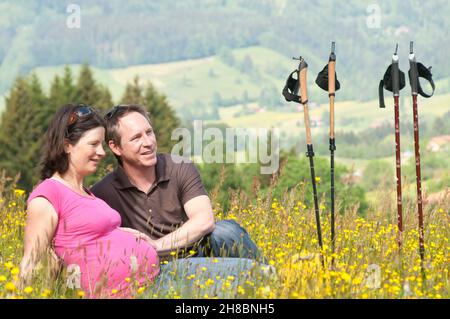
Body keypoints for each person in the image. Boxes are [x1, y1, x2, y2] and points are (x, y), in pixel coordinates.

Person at [19, 104, 160, 298]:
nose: (102, 152)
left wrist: (120, 233)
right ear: (67, 145)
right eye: (93, 144)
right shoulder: (48, 195)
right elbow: (30, 262)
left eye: (101, 144)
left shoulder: (86, 192)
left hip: (151, 283)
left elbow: (89, 236)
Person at [91, 104, 262, 261]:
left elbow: (204, 220)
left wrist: (157, 245)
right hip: (152, 268)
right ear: (115, 147)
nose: (149, 142)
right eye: (136, 138)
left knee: (225, 231)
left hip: (196, 253)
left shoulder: (179, 167)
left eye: (149, 132)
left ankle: (270, 281)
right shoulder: (102, 193)